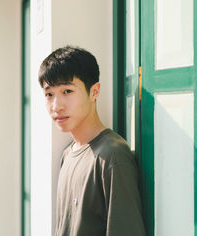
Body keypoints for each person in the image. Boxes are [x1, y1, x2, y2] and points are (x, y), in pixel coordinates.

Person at [38, 45, 146, 236]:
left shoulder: (112, 155)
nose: (57, 106)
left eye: (67, 91)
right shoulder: (68, 154)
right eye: (49, 94)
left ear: (94, 92)